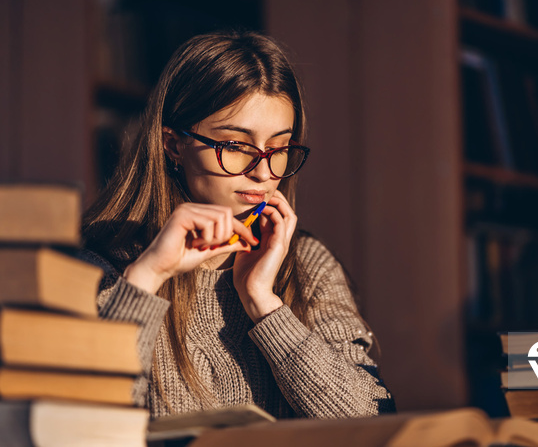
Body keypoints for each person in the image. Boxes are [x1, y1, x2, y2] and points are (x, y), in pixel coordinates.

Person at [80, 31, 396, 419]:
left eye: (278, 149)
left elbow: (372, 420)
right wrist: (146, 277)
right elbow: (78, 421)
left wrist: (264, 302)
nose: (263, 172)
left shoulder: (306, 262)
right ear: (174, 145)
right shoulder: (98, 267)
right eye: (234, 146)